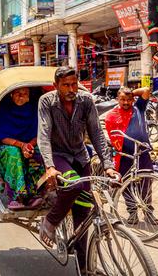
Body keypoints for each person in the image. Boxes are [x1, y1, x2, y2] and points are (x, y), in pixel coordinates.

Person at [38, 66, 119, 272]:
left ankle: (84, 269)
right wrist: (49, 167)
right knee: (73, 187)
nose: (70, 88)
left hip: (80, 156)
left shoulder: (86, 101)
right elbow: (44, 135)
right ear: (56, 85)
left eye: (74, 84)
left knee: (83, 215)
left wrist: (108, 166)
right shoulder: (46, 102)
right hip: (57, 157)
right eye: (65, 85)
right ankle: (50, 221)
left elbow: (96, 134)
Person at [105, 86, 158, 226]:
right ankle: (132, 212)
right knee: (126, 184)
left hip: (142, 152)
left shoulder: (138, 108)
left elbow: (146, 90)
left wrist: (131, 93)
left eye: (129, 100)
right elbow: (113, 138)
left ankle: (148, 212)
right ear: (117, 99)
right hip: (124, 155)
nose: (126, 102)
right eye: (122, 99)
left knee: (146, 183)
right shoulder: (111, 115)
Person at [0, 87, 44, 210]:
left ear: (29, 96)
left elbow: (38, 133)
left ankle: (34, 192)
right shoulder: (3, 109)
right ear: (12, 95)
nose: (21, 96)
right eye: (18, 93)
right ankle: (16, 196)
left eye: (25, 94)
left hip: (28, 143)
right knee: (14, 153)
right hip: (3, 146)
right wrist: (22, 146)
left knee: (40, 153)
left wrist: (29, 146)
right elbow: (2, 136)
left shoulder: (33, 109)